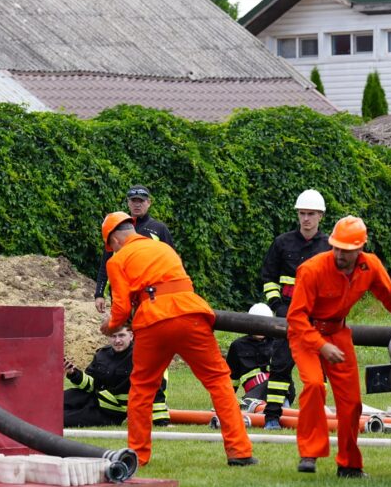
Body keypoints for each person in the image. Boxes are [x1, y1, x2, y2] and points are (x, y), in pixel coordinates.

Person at [100, 212, 255, 467]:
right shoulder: (163, 248)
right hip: (190, 315)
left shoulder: (117, 262)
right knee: (218, 381)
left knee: (141, 389)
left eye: (110, 247)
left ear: (115, 239)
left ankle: (137, 455)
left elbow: (120, 309)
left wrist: (110, 326)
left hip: (152, 322)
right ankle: (240, 451)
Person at [287, 216, 391, 477]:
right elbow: (295, 317)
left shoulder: (369, 266)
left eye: (347, 250)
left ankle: (349, 465)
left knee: (351, 403)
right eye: (336, 247)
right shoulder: (312, 269)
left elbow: (388, 293)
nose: (340, 254)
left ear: (360, 249)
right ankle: (309, 453)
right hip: (305, 333)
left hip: (338, 333)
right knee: (315, 385)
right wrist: (320, 345)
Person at [258, 189, 330, 429]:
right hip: (287, 315)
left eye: (311, 214)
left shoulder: (329, 246)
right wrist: (276, 305)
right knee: (279, 366)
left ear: (320, 215)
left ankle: (317, 415)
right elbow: (268, 277)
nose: (306, 219)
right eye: (302, 214)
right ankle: (272, 417)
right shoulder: (282, 243)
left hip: (317, 317)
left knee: (319, 369)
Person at [63, 326, 168, 427]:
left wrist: (161, 421)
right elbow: (91, 384)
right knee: (56, 400)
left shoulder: (142, 357)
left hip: (111, 411)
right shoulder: (102, 355)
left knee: (63, 418)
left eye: (121, 335)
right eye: (113, 336)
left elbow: (154, 390)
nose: (117, 340)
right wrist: (73, 373)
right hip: (95, 397)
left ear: (131, 336)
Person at [94, 185, 175, 314]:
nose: (137, 205)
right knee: (122, 333)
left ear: (149, 203)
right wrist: (99, 294)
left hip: (151, 296)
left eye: (141, 201)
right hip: (121, 296)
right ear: (128, 202)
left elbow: (172, 263)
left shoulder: (159, 228)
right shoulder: (117, 227)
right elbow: (105, 264)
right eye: (133, 201)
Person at [225, 304, 290, 405]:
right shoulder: (238, 346)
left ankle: (249, 404)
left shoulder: (277, 343)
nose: (260, 328)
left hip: (277, 392)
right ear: (249, 324)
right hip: (253, 395)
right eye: (257, 324)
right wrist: (226, 400)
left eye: (264, 324)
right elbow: (232, 378)